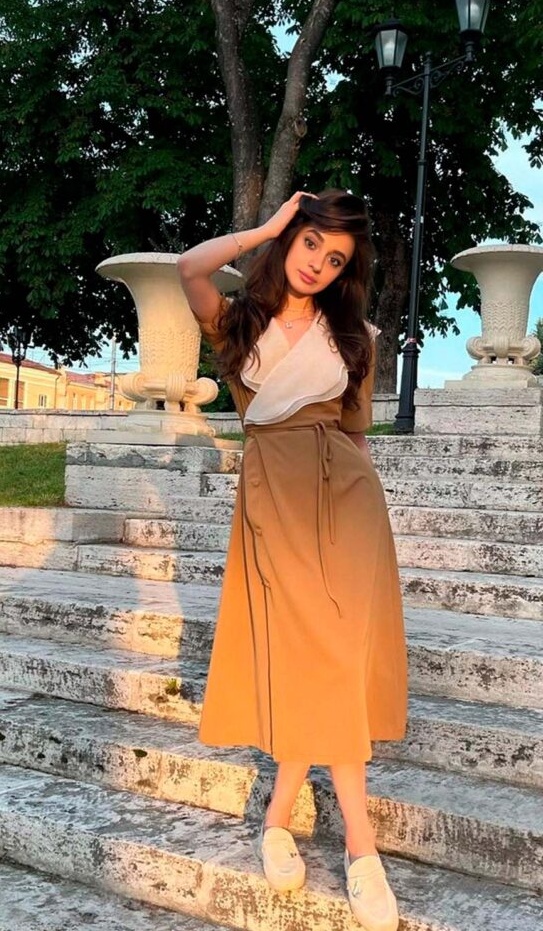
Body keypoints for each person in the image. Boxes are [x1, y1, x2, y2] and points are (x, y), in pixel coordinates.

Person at [178, 188, 408, 931]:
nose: (318, 263)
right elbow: (190, 268)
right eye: (311, 243)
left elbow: (356, 434)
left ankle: (313, 829)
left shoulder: (355, 337)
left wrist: (365, 516)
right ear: (291, 240)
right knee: (314, 654)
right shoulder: (239, 322)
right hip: (272, 496)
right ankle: (333, 836)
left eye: (335, 258)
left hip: (347, 500)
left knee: (332, 657)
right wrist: (268, 225)